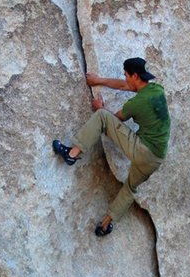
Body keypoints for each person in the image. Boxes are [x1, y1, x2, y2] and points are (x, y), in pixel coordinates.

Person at [52, 57, 170, 237]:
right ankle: (106, 224)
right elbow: (124, 86)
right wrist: (97, 80)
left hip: (142, 150)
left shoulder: (136, 104)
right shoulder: (157, 90)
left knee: (101, 117)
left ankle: (72, 153)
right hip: (157, 158)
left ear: (135, 76)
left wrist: (100, 108)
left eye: (126, 75)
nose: (125, 78)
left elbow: (113, 121)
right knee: (130, 188)